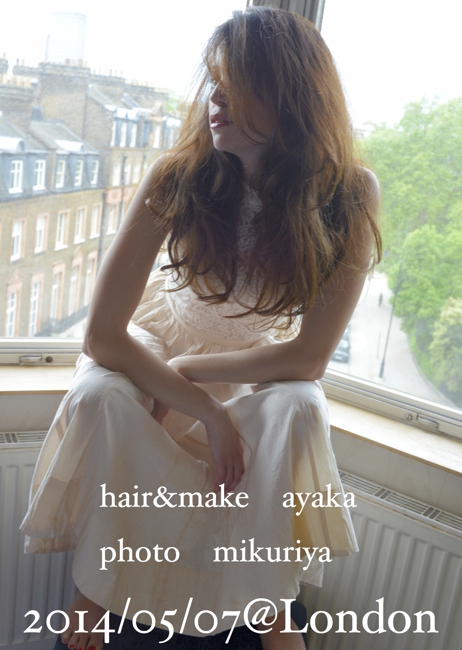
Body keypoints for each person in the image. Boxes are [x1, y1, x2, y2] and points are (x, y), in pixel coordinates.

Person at [20, 6, 380, 650]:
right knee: (100, 393)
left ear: (289, 97)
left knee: (301, 407)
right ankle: (96, 588)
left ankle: (271, 605)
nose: (215, 99)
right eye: (214, 82)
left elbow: (308, 358)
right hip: (158, 340)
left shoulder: (348, 193)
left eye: (234, 86)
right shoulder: (178, 174)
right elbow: (103, 336)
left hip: (249, 363)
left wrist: (194, 377)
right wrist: (201, 406)